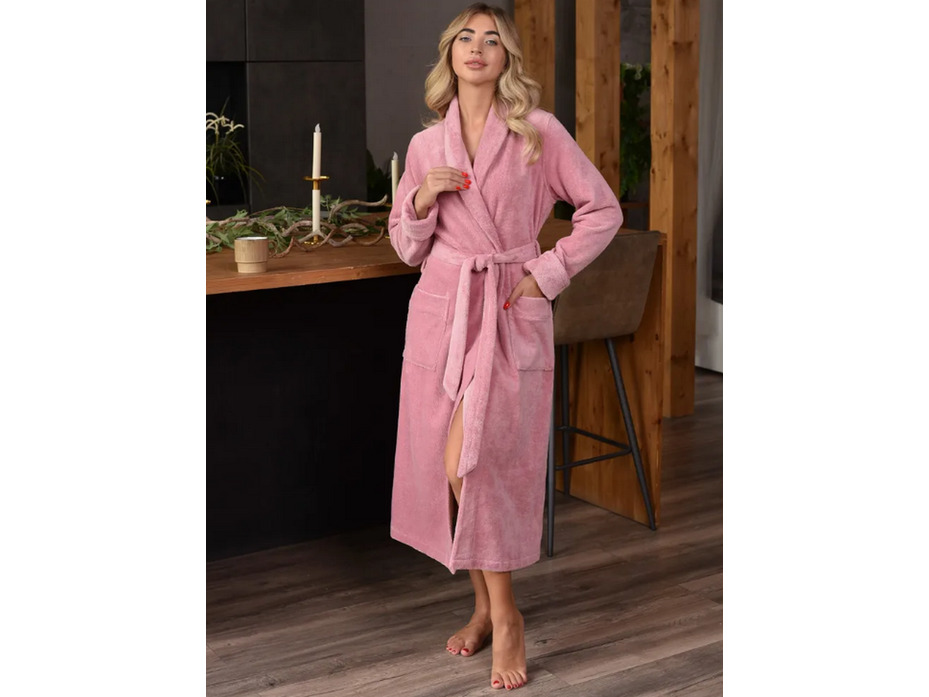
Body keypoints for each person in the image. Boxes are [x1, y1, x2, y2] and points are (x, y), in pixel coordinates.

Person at [387, 3, 623, 691]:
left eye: (492, 40)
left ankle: (508, 614)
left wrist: (544, 274)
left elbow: (602, 210)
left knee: (473, 463)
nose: (477, 48)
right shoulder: (426, 146)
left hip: (508, 309)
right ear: (449, 54)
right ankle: (484, 608)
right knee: (452, 469)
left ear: (506, 59)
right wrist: (421, 200)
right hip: (442, 313)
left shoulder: (537, 133)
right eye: (466, 37)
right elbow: (405, 248)